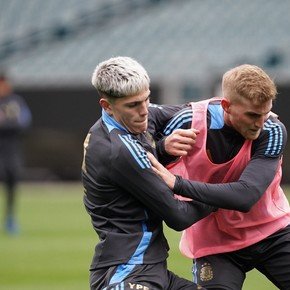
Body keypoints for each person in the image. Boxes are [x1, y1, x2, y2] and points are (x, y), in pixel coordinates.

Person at [147, 64, 290, 289]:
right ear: (227, 105)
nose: (260, 123)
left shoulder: (272, 130)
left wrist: (178, 184)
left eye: (265, 112)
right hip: (215, 245)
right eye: (252, 115)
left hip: (272, 232)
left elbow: (246, 195)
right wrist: (163, 148)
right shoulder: (188, 121)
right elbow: (145, 153)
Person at [81, 56, 216, 290]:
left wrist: (241, 109)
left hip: (150, 267)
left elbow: (191, 112)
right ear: (107, 106)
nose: (144, 111)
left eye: (147, 99)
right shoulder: (119, 149)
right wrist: (225, 194)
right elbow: (178, 216)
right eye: (133, 105)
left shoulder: (120, 124)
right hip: (127, 273)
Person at [0, 71, 32, 234]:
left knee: (12, 184)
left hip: (11, 151)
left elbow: (23, 122)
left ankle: (10, 219)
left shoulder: (15, 101)